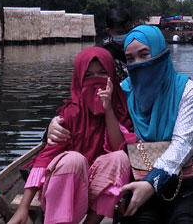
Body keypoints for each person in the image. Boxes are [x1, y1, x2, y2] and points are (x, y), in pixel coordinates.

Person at [8, 47, 134, 224]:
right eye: (88, 75)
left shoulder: (121, 109)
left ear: (112, 76)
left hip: (99, 190)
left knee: (120, 158)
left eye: (102, 73)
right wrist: (23, 207)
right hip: (68, 191)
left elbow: (118, 147)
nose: (95, 81)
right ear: (79, 79)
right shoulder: (70, 114)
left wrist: (108, 110)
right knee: (73, 159)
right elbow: (45, 158)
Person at [118, 25, 193, 224]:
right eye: (130, 59)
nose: (138, 64)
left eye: (144, 54)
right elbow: (90, 121)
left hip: (185, 182)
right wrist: (52, 127)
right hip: (137, 179)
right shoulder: (123, 92)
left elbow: (183, 144)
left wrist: (152, 182)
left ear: (160, 53)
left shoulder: (187, 91)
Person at [47, 9, 133, 145]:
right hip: (108, 102)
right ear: (109, 31)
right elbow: (84, 89)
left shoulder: (136, 45)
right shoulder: (100, 53)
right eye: (119, 33)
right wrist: (55, 124)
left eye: (128, 31)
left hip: (125, 105)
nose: (125, 36)